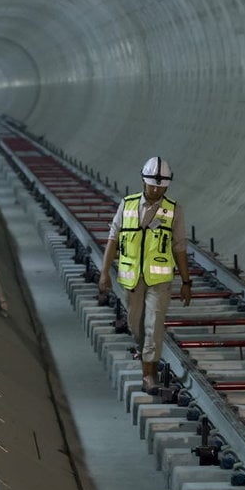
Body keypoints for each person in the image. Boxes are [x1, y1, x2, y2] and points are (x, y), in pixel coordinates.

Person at [99, 157, 192, 391]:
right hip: (131, 279)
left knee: (154, 324)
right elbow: (113, 238)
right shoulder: (127, 205)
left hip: (159, 280)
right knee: (136, 325)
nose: (156, 189)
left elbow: (179, 247)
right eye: (152, 185)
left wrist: (186, 281)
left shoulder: (173, 211)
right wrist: (104, 273)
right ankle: (143, 353)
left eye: (161, 186)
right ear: (143, 181)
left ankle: (148, 374)